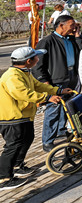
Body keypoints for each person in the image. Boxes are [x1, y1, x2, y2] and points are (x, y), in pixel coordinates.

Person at [0, 47, 71, 190]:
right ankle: (4, 178)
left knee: (27, 139)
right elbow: (23, 93)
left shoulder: (24, 72)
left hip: (24, 115)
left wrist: (58, 90)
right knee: (13, 145)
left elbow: (38, 86)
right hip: (11, 117)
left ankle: (17, 165)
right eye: (36, 57)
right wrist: (47, 98)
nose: (38, 60)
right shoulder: (12, 76)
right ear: (28, 61)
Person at [31, 14, 80, 152]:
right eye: (71, 25)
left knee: (66, 107)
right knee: (53, 109)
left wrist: (77, 35)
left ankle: (60, 130)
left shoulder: (71, 39)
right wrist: (44, 81)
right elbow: (37, 65)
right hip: (55, 81)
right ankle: (47, 140)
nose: (74, 28)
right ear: (61, 25)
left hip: (71, 77)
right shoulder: (47, 41)